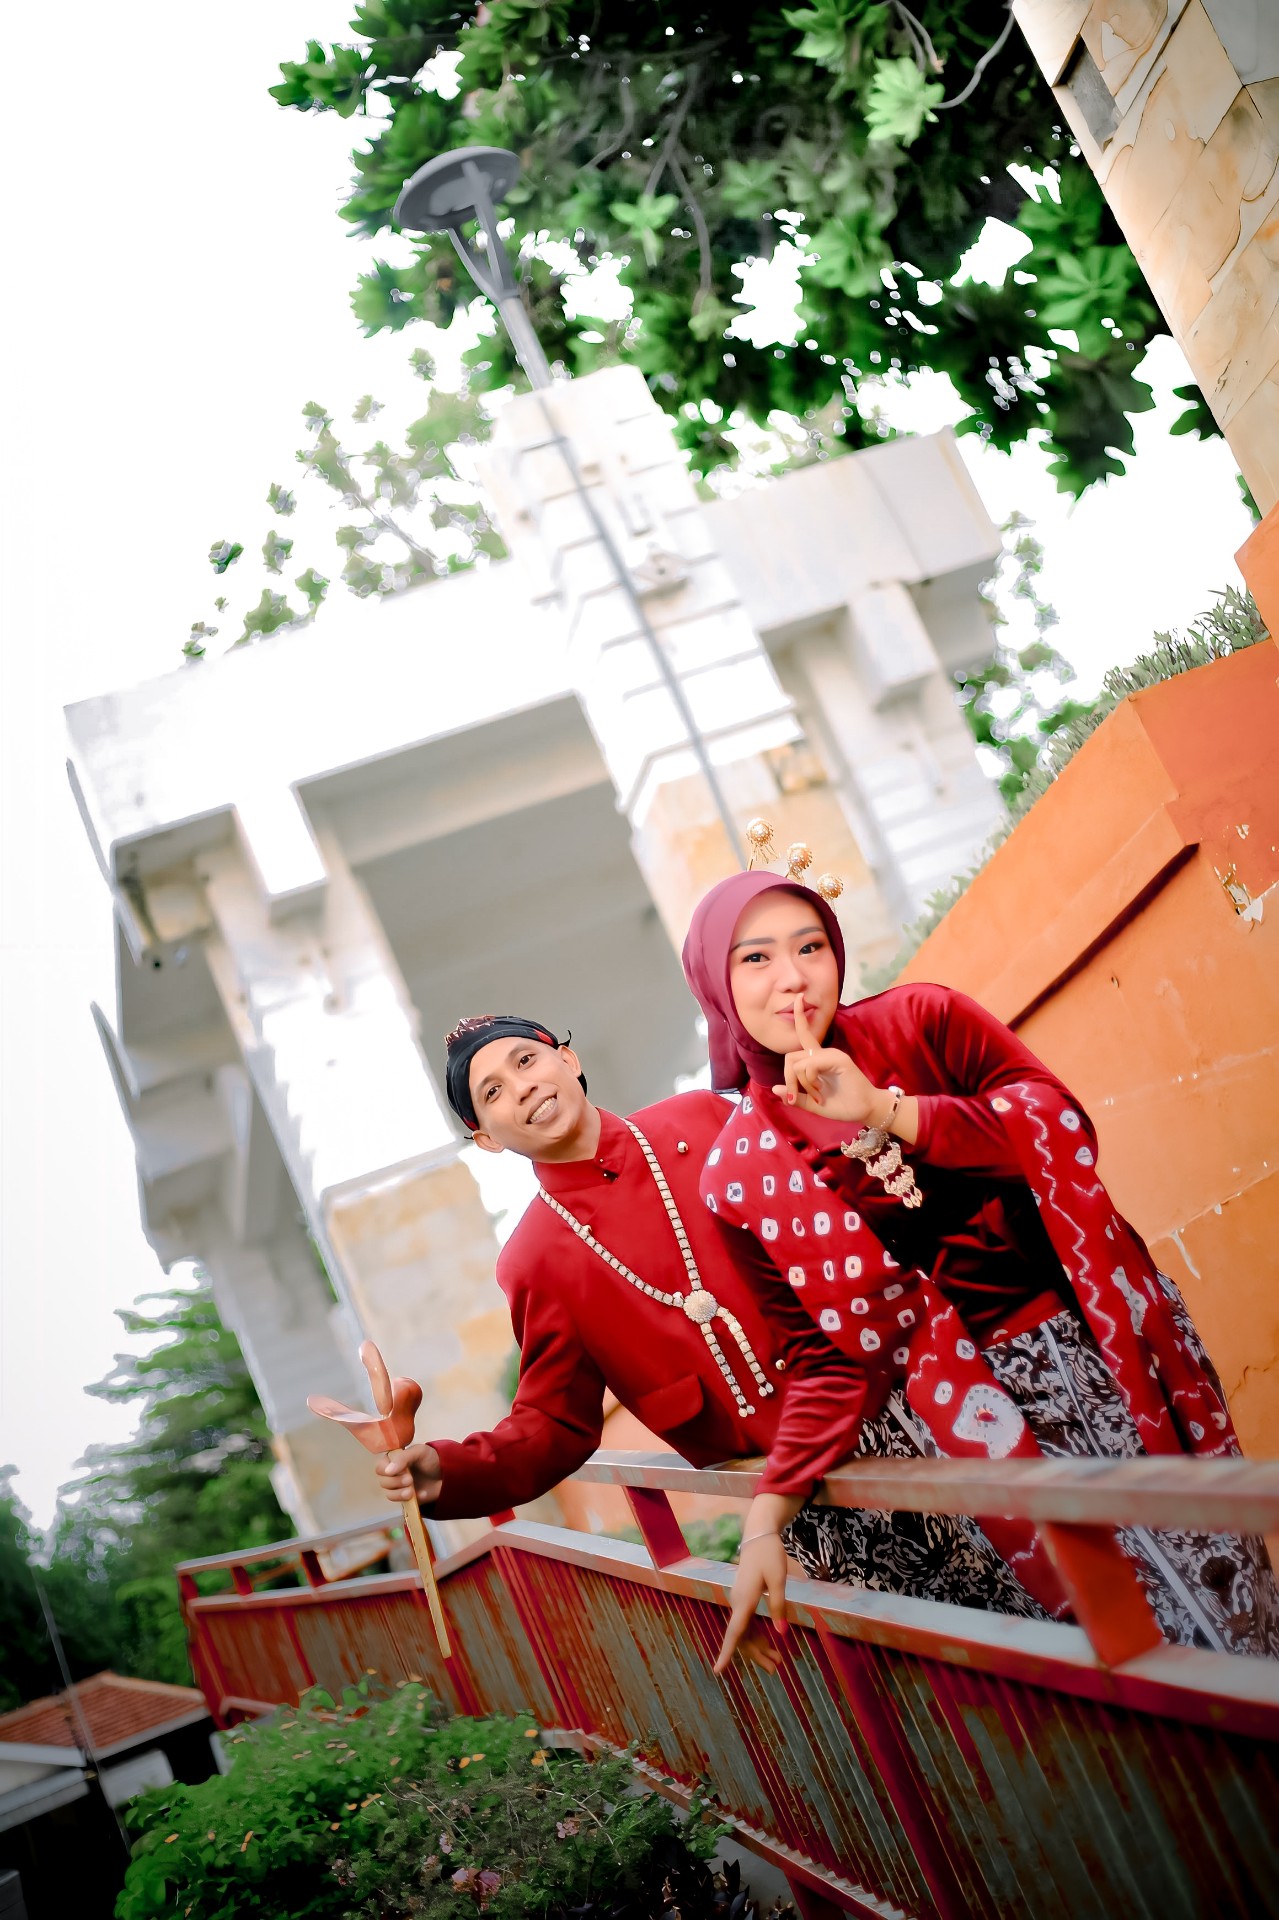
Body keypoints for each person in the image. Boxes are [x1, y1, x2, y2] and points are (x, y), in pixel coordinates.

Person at [682, 869, 1279, 1670]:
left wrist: (887, 1110)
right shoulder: (738, 1176)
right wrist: (763, 1523)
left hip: (1105, 1349)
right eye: (755, 959)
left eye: (810, 947)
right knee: (1130, 1647)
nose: (792, 978)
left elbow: (1060, 1129)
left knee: (1229, 1605)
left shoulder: (922, 1020)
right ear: (714, 986)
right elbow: (825, 1362)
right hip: (980, 1426)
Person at [374, 1013, 1041, 1627]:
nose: (521, 1087)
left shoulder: (701, 1118)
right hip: (808, 1500)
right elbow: (552, 1422)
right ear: (486, 1138)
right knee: (965, 1660)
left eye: (526, 1060)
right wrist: (443, 1473)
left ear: (568, 1060)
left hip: (915, 1406)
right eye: (492, 1092)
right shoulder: (533, 1260)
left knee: (1061, 1589)